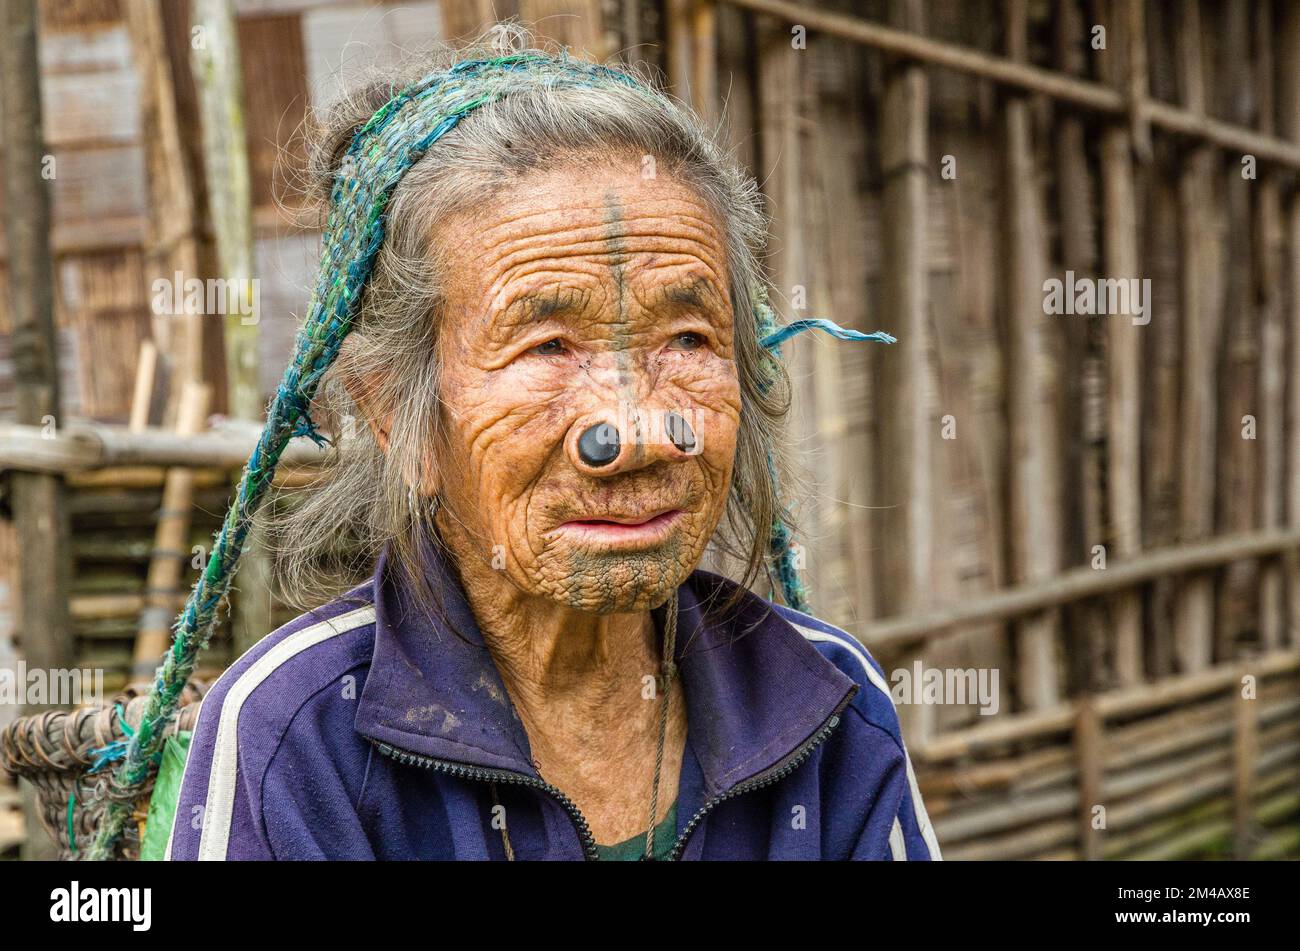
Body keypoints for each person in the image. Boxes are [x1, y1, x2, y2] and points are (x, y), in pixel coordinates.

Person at [165, 38, 938, 861]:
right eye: (548, 347)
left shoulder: (828, 703)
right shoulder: (294, 736)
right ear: (396, 417)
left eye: (686, 337)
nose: (636, 432)